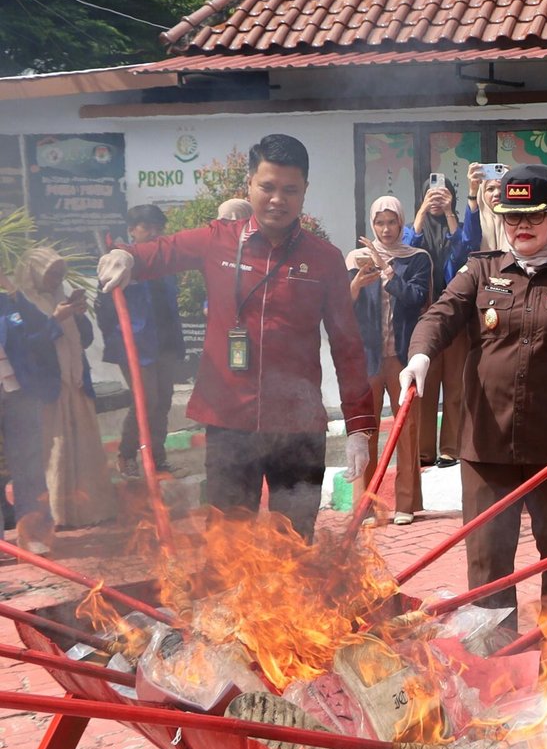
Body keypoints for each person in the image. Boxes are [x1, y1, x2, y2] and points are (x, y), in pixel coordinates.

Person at [97, 133, 376, 542]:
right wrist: (126, 256)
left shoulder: (324, 259)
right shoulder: (218, 240)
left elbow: (347, 346)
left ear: (304, 190)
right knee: (229, 542)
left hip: (297, 427)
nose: (277, 199)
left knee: (294, 544)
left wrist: (358, 428)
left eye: (290, 190)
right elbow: (160, 252)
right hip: (229, 422)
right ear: (249, 184)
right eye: (267, 186)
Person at [402, 164, 547, 629]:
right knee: (487, 562)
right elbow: (439, 316)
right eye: (513, 216)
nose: (522, 226)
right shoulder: (480, 271)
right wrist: (420, 356)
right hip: (487, 446)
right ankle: (496, 661)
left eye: (534, 216)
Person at [15, 248, 115, 530]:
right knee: (57, 453)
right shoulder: (21, 303)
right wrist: (54, 320)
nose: (57, 280)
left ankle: (92, 509)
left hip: (76, 384)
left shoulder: (61, 297)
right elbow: (26, 346)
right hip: (49, 389)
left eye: (60, 274)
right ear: (36, 274)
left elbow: (84, 340)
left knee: (85, 449)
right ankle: (59, 514)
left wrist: (78, 316)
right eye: (52, 274)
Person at [349, 196, 433, 525]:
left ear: (401, 223)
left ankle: (405, 505)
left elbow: (416, 298)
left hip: (403, 357)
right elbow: (341, 308)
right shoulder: (356, 259)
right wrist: (356, 284)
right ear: (372, 224)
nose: (385, 229)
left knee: (407, 431)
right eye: (379, 223)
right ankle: (365, 506)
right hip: (368, 358)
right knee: (365, 430)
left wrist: (387, 271)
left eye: (391, 222)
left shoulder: (417, 259)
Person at [96, 204, 184, 479]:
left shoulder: (165, 263)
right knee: (146, 400)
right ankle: (126, 456)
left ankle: (157, 458)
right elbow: (105, 309)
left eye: (158, 227)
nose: (153, 232)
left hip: (166, 343)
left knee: (164, 400)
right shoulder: (119, 262)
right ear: (132, 230)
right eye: (147, 227)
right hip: (135, 344)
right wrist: (119, 340)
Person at [404, 177, 480, 468]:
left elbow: (465, 250)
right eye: (430, 194)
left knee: (455, 384)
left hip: (456, 316)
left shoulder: (457, 226)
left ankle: (450, 447)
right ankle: (424, 450)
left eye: (443, 194)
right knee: (424, 384)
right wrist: (422, 211)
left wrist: (449, 213)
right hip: (424, 318)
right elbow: (406, 251)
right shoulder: (415, 228)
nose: (436, 198)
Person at [0, 273, 63, 551]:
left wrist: (13, 290)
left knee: (29, 465)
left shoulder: (9, 302)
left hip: (18, 392)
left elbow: (41, 329)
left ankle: (33, 535)